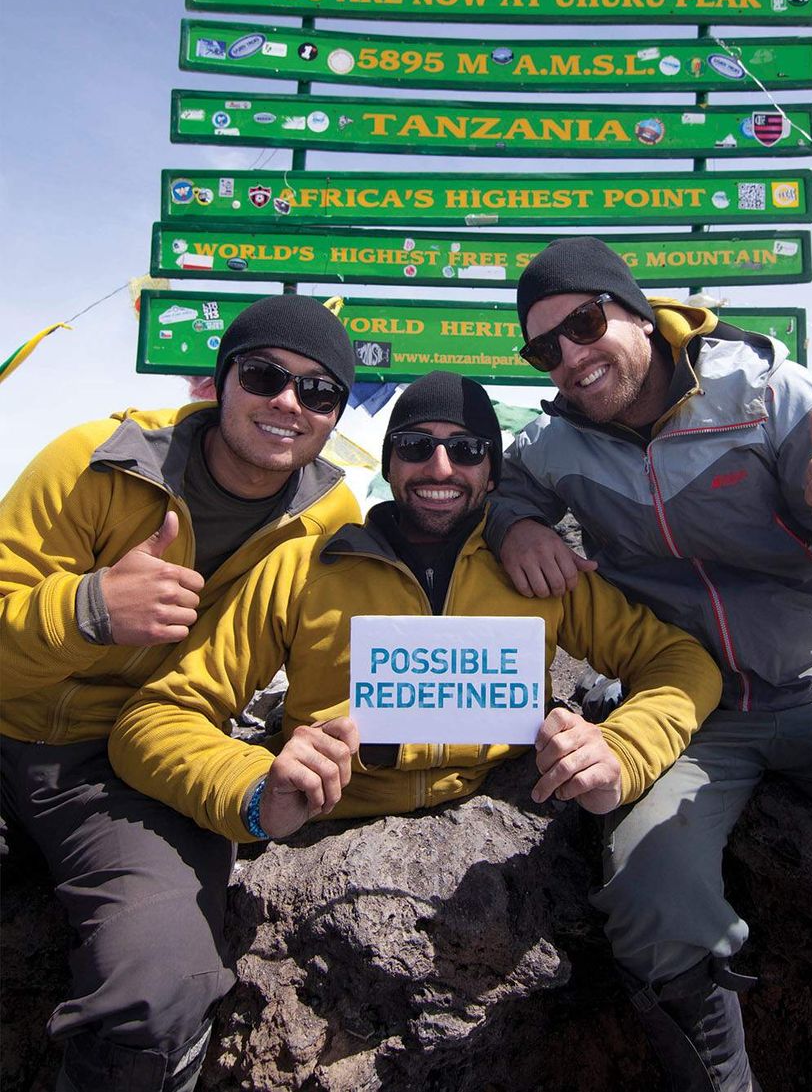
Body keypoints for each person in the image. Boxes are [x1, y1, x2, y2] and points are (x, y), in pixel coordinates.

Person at [482, 236, 812, 1092]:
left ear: (638, 312)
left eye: (586, 322)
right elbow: (503, 495)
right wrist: (515, 526)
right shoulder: (553, 443)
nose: (569, 356)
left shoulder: (771, 395)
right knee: (652, 903)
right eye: (543, 348)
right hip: (687, 712)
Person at [108, 372, 720, 935]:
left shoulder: (539, 571)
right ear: (389, 459)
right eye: (415, 444)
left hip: (506, 851)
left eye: (468, 450)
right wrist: (253, 788)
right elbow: (155, 719)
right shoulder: (302, 567)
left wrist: (622, 750)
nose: (440, 466)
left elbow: (681, 662)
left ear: (493, 472)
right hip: (323, 861)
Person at [0, 295, 361, 1092]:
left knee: (160, 984)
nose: (287, 403)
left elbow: (323, 694)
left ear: (338, 412)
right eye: (264, 374)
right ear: (218, 381)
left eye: (319, 390)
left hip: (124, 771)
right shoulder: (95, 461)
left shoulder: (329, 520)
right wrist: (92, 608)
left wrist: (269, 784)